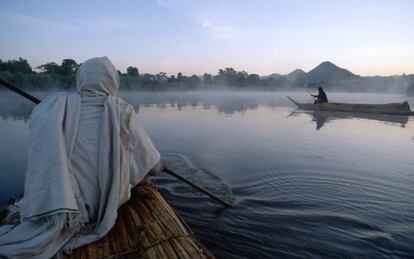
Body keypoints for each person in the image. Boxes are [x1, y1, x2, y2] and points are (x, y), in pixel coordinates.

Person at [0, 57, 165, 258]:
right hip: (98, 209)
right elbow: (153, 167)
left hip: (59, 205)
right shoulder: (123, 111)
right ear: (112, 81)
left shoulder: (55, 106)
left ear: (82, 79)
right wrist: (162, 164)